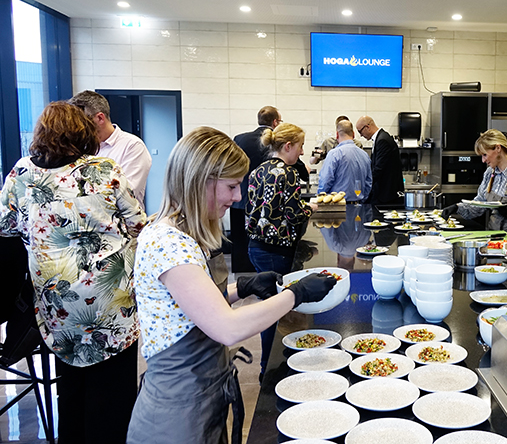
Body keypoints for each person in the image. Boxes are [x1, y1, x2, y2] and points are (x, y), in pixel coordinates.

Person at [127, 127, 335, 444]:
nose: (238, 197)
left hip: (201, 397)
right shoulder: (168, 244)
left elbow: (191, 309)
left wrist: (244, 288)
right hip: (176, 413)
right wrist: (296, 294)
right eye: (232, 186)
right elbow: (226, 328)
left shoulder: (181, 234)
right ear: (200, 182)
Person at [0, 102, 147, 443]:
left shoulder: (22, 174)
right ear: (83, 134)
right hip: (112, 305)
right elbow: (138, 223)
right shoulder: (103, 169)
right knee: (114, 395)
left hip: (57, 306)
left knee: (71, 391)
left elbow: (5, 228)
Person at [246, 122, 318, 377]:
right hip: (276, 248)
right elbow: (293, 212)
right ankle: (271, 367)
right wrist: (312, 208)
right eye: (300, 147)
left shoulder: (258, 170)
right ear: (288, 146)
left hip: (256, 246)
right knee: (275, 309)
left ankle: (268, 365)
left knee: (269, 302)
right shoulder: (288, 173)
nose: (301, 152)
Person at [68, 90, 152, 210]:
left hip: (123, 224)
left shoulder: (132, 146)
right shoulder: (81, 147)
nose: (79, 129)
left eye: (82, 123)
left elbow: (126, 195)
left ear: (100, 118)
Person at [442, 129, 507, 231]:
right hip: (493, 234)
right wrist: (458, 208)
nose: (483, 160)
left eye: (485, 155)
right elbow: (479, 204)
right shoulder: (489, 173)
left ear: (498, 148)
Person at [230, 106, 282, 272]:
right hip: (266, 201)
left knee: (239, 240)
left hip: (240, 198)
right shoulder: (274, 140)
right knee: (263, 241)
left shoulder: (240, 138)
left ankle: (241, 271)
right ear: (275, 122)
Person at [317, 119, 372, 201]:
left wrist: (320, 197)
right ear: (353, 134)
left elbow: (325, 180)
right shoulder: (364, 155)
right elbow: (368, 183)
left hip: (338, 207)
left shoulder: (334, 154)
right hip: (359, 206)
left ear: (337, 135)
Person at [356, 115, 404, 205]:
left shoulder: (383, 140)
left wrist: (364, 185)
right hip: (384, 193)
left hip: (387, 195)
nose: (361, 135)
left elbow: (379, 169)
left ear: (367, 127)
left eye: (360, 131)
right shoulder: (381, 138)